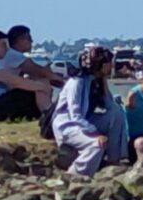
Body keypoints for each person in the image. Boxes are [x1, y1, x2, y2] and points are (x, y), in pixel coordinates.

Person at [52, 44, 129, 175]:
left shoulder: (94, 81)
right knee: (96, 144)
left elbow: (110, 106)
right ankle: (74, 173)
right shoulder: (77, 82)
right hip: (68, 125)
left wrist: (104, 80)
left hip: (85, 120)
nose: (112, 66)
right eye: (110, 63)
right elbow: (75, 115)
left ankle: (113, 159)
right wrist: (95, 134)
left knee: (117, 113)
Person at [0, 26, 58, 124]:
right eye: (3, 44)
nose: (6, 49)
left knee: (35, 91)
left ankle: (47, 113)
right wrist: (41, 86)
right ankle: (49, 114)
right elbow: (13, 81)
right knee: (38, 86)